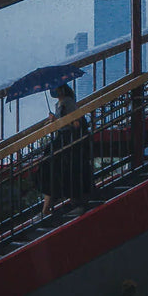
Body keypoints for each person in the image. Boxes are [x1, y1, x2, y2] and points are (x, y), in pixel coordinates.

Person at [39, 84, 93, 217]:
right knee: (51, 171)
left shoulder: (68, 102)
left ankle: (71, 202)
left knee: (60, 171)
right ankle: (46, 207)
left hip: (69, 141)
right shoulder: (59, 104)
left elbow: (76, 123)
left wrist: (58, 121)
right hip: (61, 140)